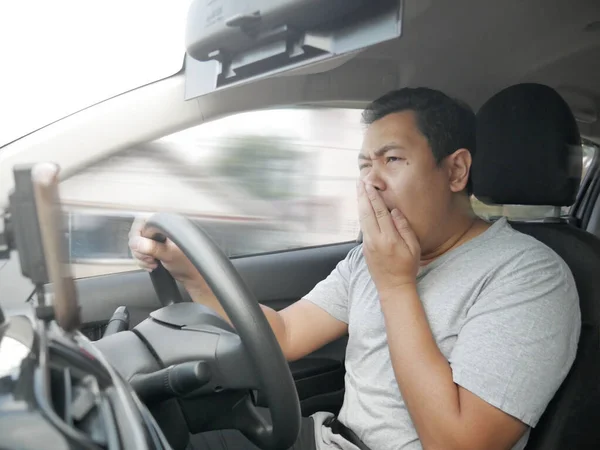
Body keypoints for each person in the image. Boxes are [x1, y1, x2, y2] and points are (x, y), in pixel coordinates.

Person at [128, 88, 580, 450]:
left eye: (393, 160)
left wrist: (396, 284)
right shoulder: (370, 259)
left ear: (456, 171)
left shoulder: (529, 276)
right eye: (365, 164)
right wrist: (190, 272)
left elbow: (458, 443)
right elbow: (283, 335)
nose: (372, 181)